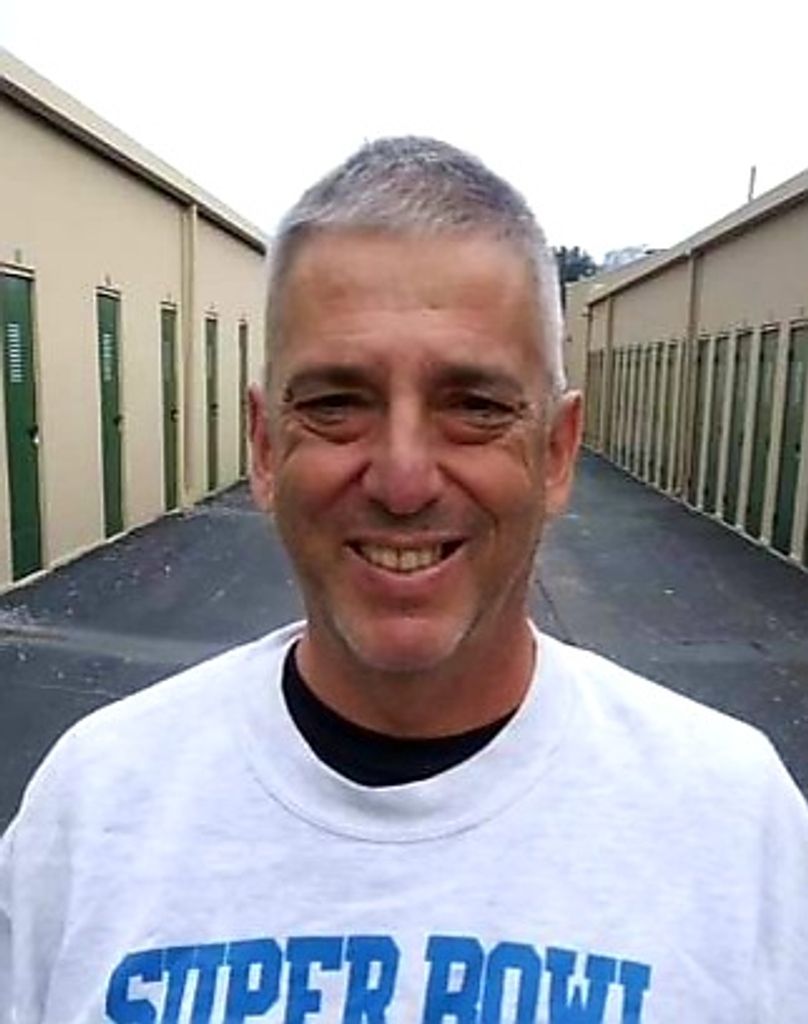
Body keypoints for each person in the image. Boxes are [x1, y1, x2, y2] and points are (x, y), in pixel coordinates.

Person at [1, 137, 807, 1024]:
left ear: (557, 452)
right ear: (265, 448)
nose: (403, 480)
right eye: (336, 404)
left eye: (476, 407)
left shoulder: (735, 827)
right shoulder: (91, 813)